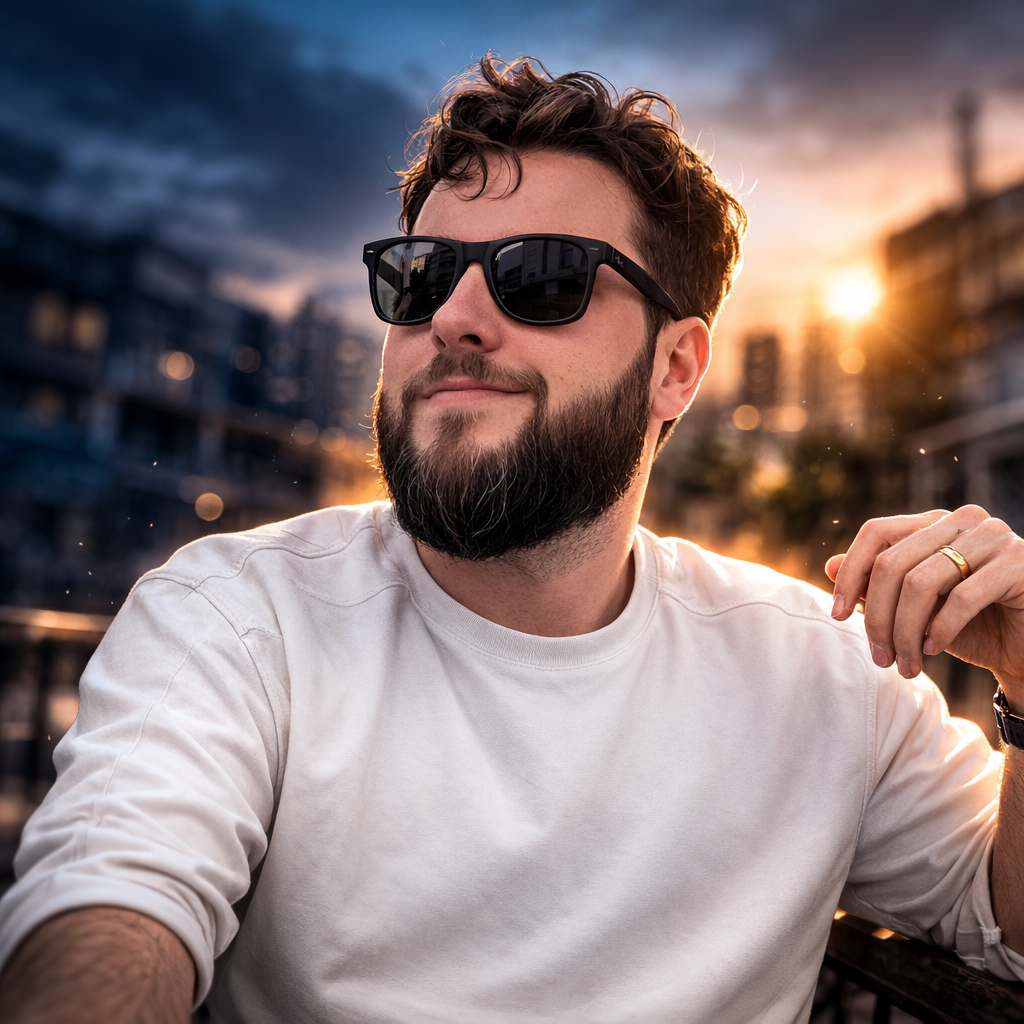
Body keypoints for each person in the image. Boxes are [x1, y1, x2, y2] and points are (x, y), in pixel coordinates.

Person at [2, 56, 1024, 1024]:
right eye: (420, 275)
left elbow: (1001, 923)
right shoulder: (236, 614)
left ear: (677, 367)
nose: (455, 315)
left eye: (542, 278)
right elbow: (114, 897)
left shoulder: (821, 667)